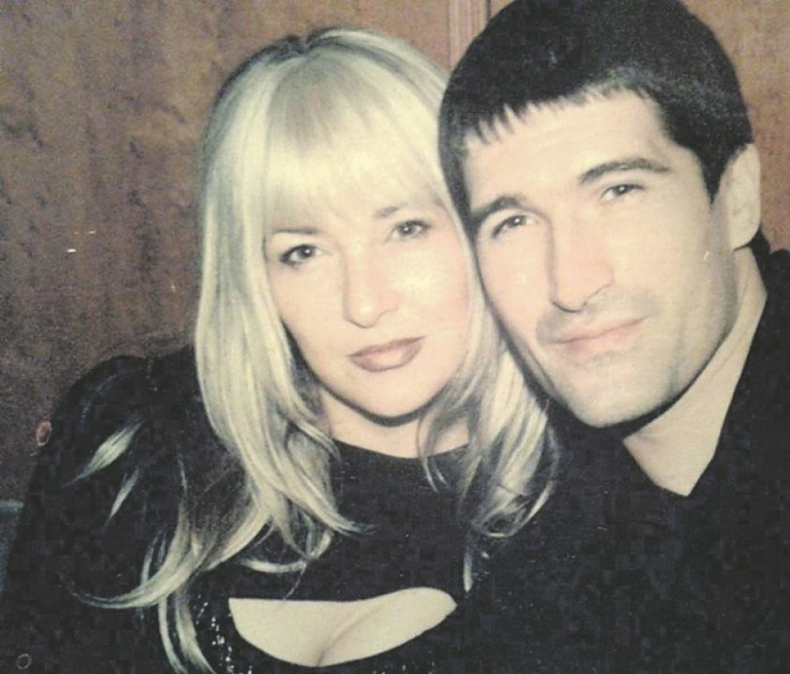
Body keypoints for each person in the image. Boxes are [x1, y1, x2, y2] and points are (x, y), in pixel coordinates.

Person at [0, 28, 553, 673]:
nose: (364, 303)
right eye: (303, 252)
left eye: (407, 228)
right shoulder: (132, 437)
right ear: (251, 276)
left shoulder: (585, 496)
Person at [440, 0, 790, 671]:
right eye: (513, 223)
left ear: (736, 196)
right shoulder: (535, 545)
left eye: (619, 191)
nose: (571, 282)